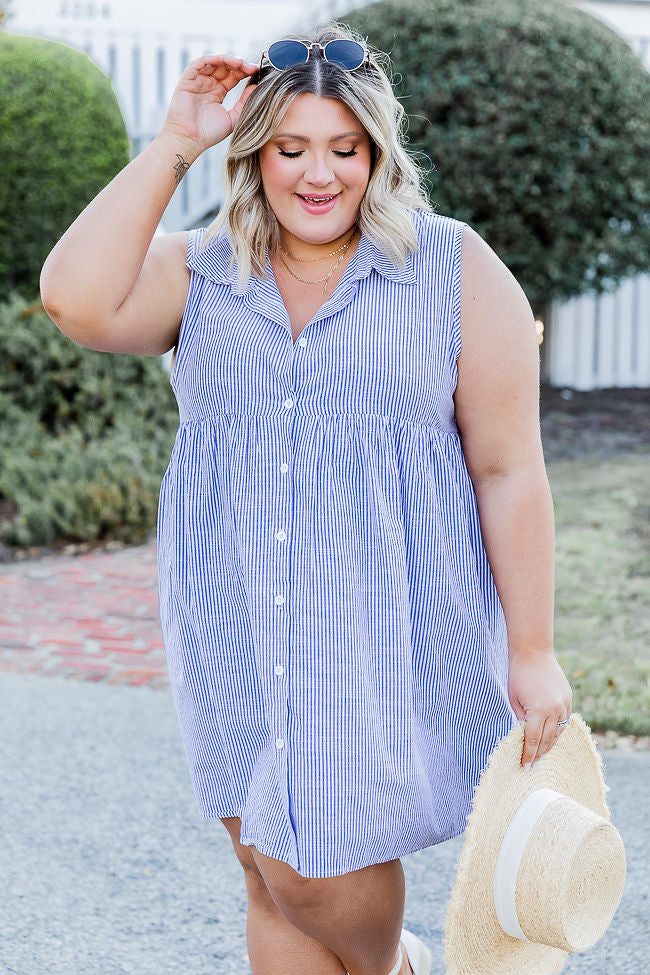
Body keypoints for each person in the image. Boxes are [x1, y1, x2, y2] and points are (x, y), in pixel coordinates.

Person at [40, 21, 573, 975]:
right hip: (234, 617)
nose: (317, 174)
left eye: (343, 149)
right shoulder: (200, 276)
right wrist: (174, 145)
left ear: (377, 153)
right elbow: (75, 299)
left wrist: (532, 650)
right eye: (291, 149)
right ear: (256, 157)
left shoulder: (452, 270)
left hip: (383, 625)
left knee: (314, 866)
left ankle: (393, 966)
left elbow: (508, 468)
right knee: (262, 862)